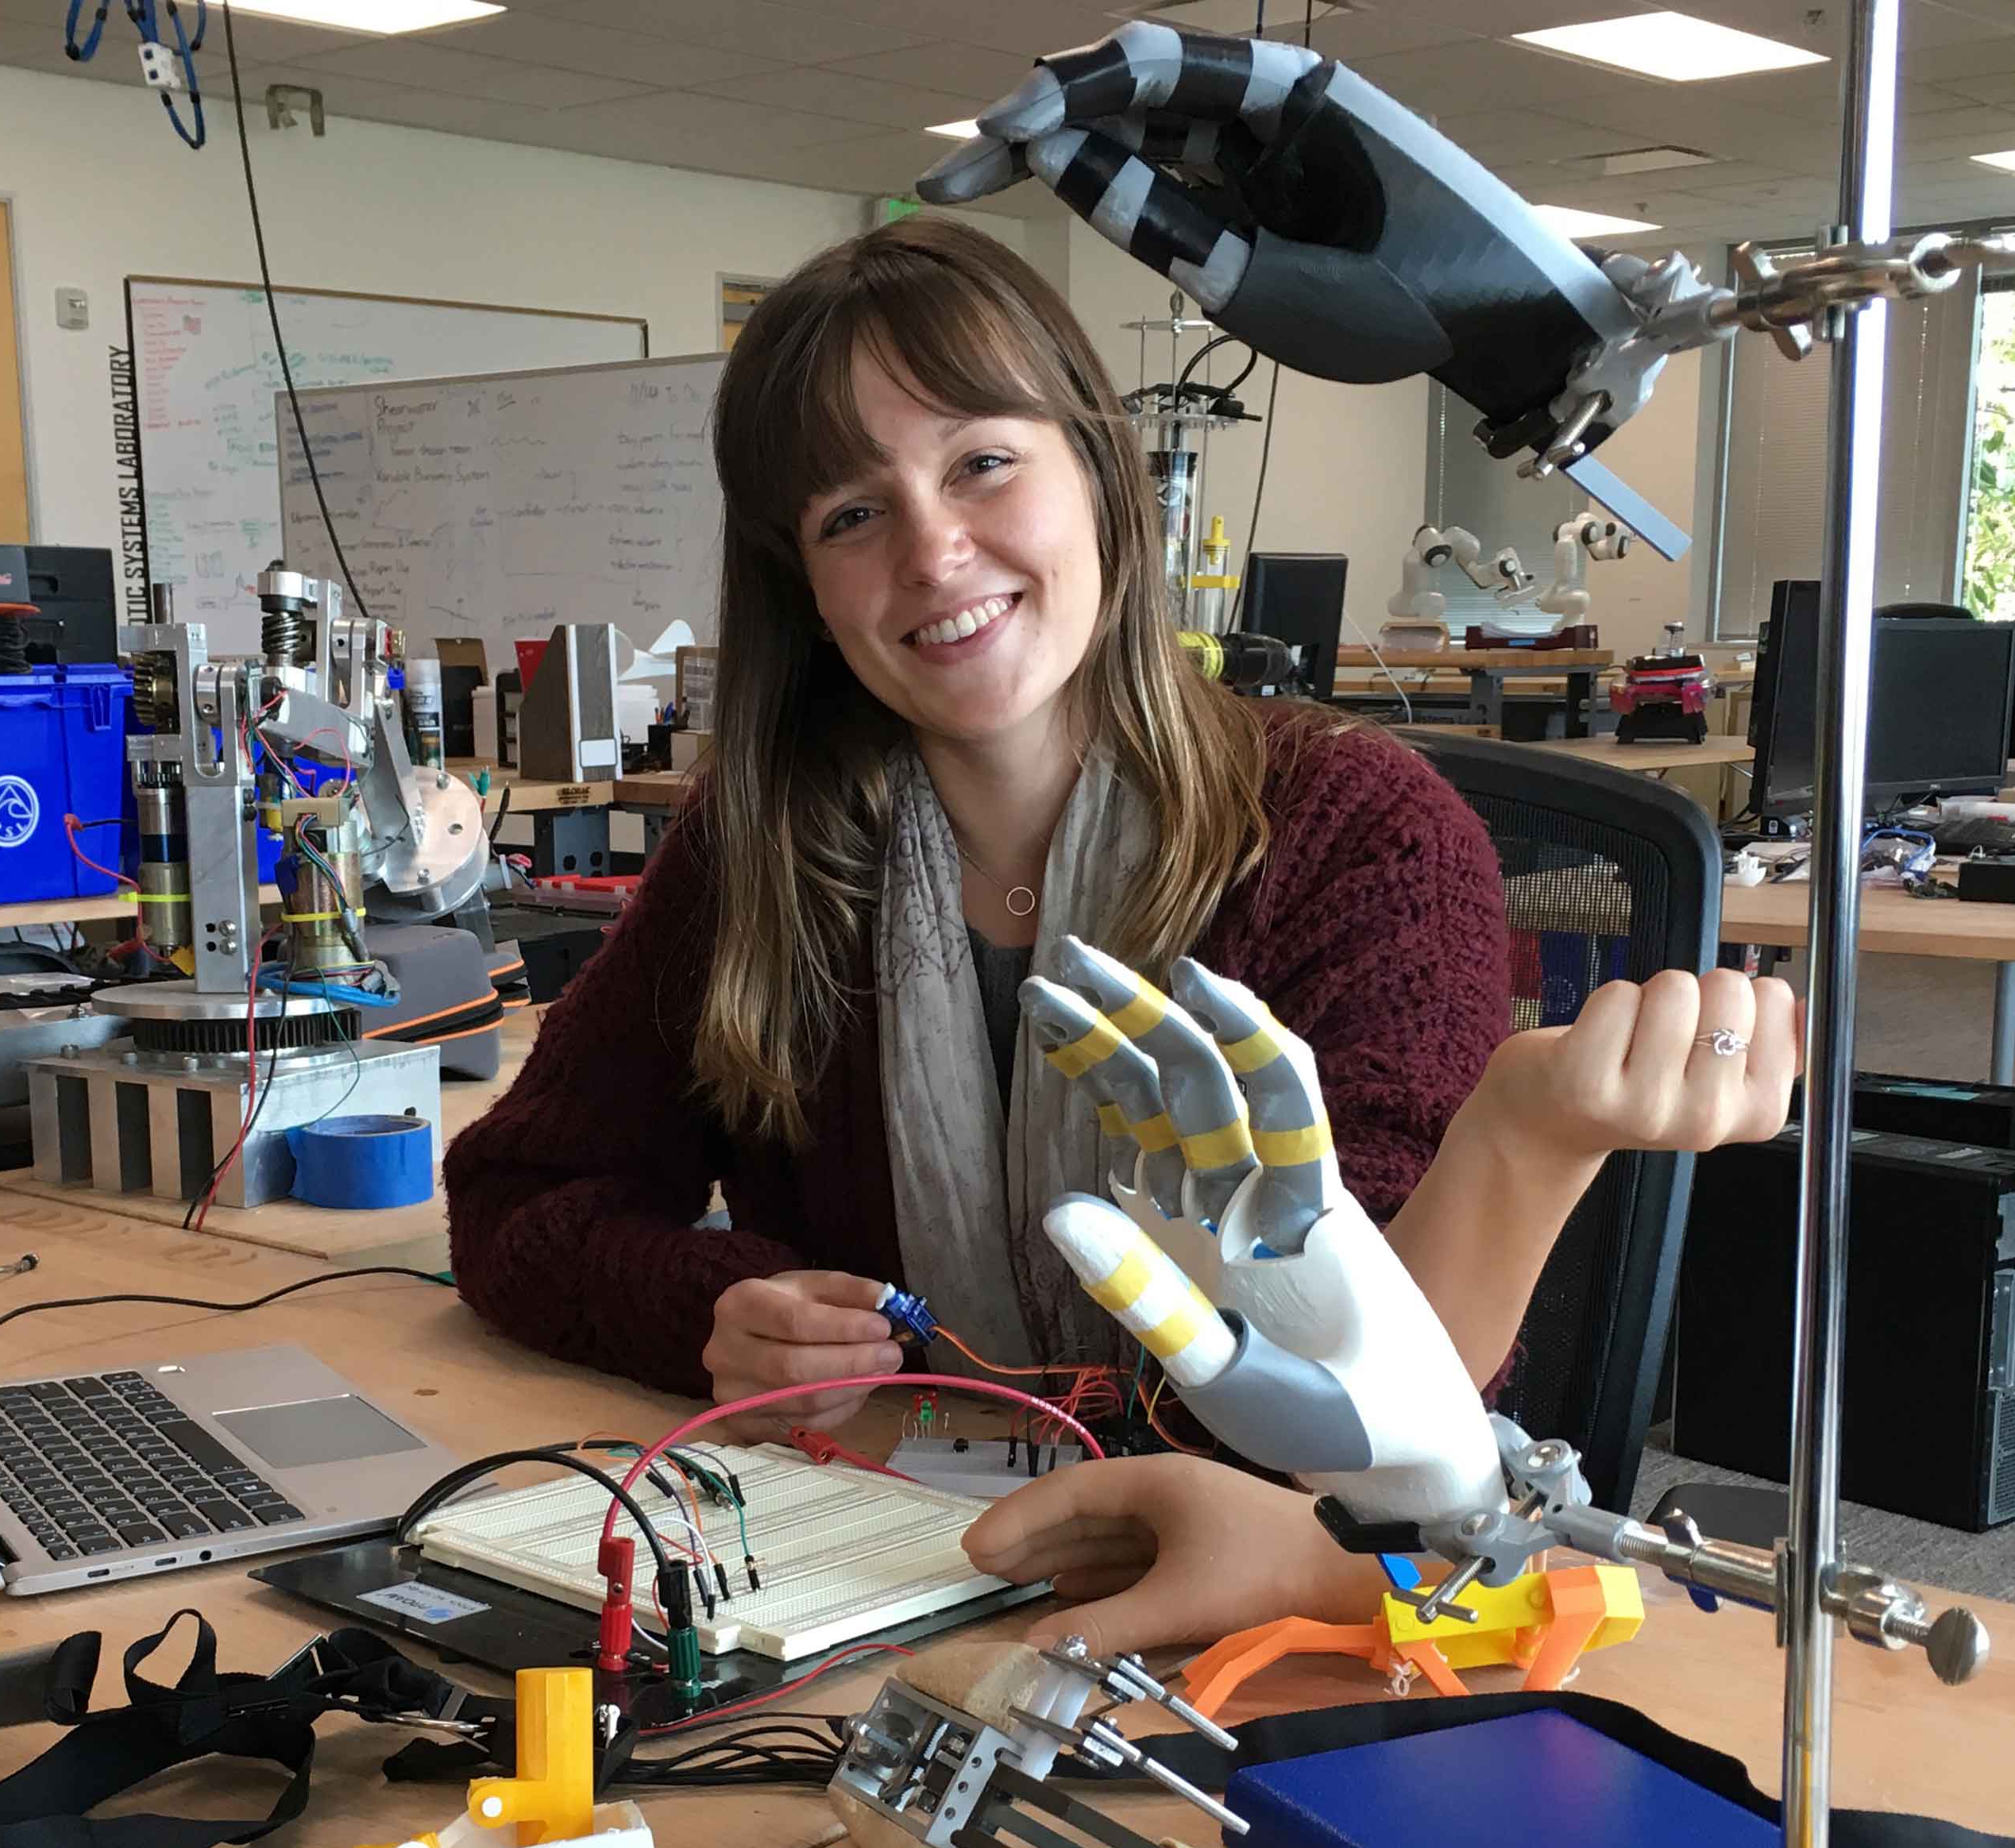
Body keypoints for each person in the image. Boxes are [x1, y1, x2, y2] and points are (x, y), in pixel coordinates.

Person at [444, 216, 1796, 1654]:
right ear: (806, 588)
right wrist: (708, 1309)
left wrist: (1522, 1143)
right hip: (877, 1572)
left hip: (1303, 1600)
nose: (931, 550)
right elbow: (516, 1201)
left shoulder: (1353, 833)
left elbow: (1375, 1390)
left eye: (981, 462)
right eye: (851, 514)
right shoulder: (763, 855)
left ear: (1099, 471)